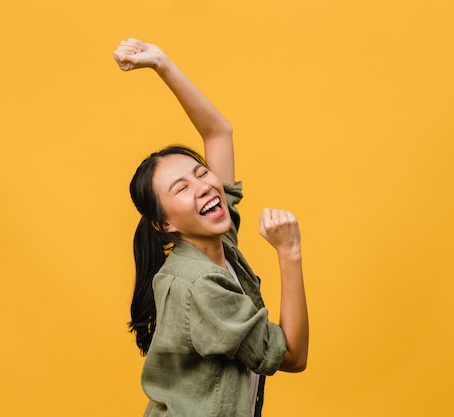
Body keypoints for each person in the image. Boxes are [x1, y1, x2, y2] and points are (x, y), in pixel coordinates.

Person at [113, 38, 309, 417]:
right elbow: (291, 355)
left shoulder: (218, 244)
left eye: (201, 172)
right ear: (164, 223)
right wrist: (290, 253)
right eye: (181, 188)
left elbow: (218, 133)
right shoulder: (199, 285)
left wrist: (161, 63)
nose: (204, 185)